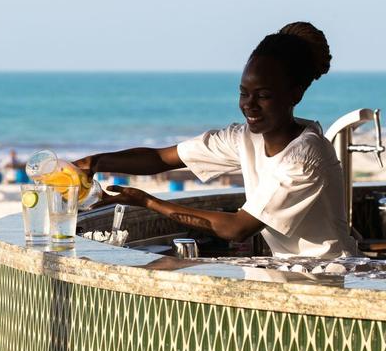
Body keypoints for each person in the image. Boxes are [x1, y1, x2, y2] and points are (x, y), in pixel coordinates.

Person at [74, 22, 359, 259]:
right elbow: (162, 158)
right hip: (291, 274)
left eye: (263, 95)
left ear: (295, 95)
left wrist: (148, 202)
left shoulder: (306, 156)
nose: (250, 105)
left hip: (332, 276)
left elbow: (237, 228)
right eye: (244, 93)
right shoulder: (243, 138)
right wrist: (96, 161)